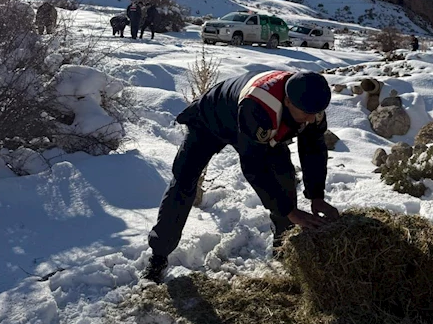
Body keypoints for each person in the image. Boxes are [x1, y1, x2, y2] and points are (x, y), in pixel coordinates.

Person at [142, 69, 340, 282]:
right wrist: (289, 211)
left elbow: (313, 148)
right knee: (184, 181)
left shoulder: (311, 105)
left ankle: (284, 251)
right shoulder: (259, 106)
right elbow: (254, 166)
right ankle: (159, 255)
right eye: (306, 113)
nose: (310, 119)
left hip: (261, 128)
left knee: (284, 179)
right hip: (211, 121)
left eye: (315, 113)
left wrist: (316, 195)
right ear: (288, 101)